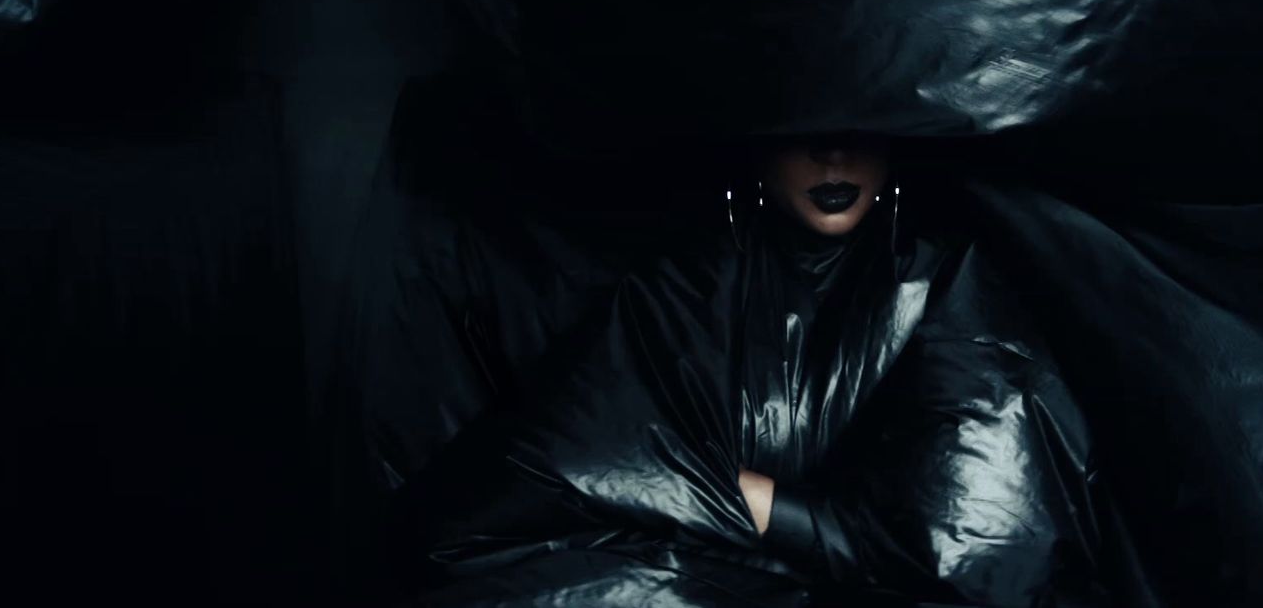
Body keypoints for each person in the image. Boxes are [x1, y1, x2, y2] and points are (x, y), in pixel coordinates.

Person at [401, 134, 1111, 607]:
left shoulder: (948, 279)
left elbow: (977, 550)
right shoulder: (688, 289)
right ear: (759, 140)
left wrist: (746, 498)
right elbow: (560, 479)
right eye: (807, 125)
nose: (834, 153)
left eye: (860, 125)